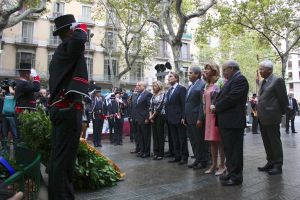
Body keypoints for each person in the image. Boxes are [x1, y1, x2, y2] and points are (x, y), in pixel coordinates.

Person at [48, 14, 90, 199]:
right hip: (67, 110)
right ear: (69, 31)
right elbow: (81, 38)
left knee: (60, 158)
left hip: (62, 109)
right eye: (73, 29)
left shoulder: (62, 50)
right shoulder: (68, 46)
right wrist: (79, 26)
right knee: (65, 160)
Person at [212, 60, 249, 186]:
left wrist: (216, 106)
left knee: (235, 150)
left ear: (232, 68)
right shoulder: (232, 80)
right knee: (229, 149)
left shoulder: (240, 79)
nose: (223, 73)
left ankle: (236, 177)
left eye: (224, 70)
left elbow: (232, 97)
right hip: (227, 121)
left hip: (233, 122)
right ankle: (231, 172)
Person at [257, 60, 288, 175]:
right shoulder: (262, 82)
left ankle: (278, 165)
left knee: (274, 142)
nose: (260, 71)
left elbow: (283, 99)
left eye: (262, 69)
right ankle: (270, 161)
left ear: (270, 70)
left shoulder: (277, 80)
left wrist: (281, 113)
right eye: (260, 69)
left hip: (272, 116)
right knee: (266, 141)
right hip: (262, 117)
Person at [202, 62, 226, 176]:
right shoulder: (206, 85)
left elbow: (224, 98)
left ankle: (222, 165)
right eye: (205, 69)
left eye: (208, 69)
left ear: (214, 70)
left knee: (219, 141)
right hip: (208, 116)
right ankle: (214, 164)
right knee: (211, 141)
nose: (205, 71)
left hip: (217, 116)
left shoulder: (221, 82)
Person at [184, 66, 209, 169]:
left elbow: (201, 103)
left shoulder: (202, 85)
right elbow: (187, 103)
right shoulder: (190, 86)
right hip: (189, 118)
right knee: (193, 141)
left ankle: (203, 161)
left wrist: (200, 118)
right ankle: (197, 159)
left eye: (190, 73)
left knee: (200, 141)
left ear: (197, 74)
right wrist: (184, 117)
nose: (188, 74)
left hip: (197, 118)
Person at [165, 72, 188, 165]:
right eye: (168, 77)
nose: (168, 78)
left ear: (176, 78)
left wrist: (183, 117)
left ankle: (184, 157)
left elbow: (184, 104)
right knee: (174, 139)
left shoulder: (181, 89)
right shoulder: (169, 90)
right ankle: (177, 156)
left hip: (179, 118)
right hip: (170, 118)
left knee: (182, 138)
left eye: (170, 76)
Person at [149, 81, 166, 160]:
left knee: (160, 135)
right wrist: (150, 116)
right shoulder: (153, 95)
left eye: (155, 86)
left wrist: (152, 116)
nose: (154, 87)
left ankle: (160, 153)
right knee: (155, 135)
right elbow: (150, 106)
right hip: (153, 117)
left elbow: (160, 106)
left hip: (160, 116)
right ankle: (155, 152)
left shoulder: (163, 94)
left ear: (159, 86)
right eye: (153, 86)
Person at [135, 81, 152, 158]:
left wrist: (147, 118)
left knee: (146, 136)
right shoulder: (138, 94)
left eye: (139, 85)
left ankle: (146, 152)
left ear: (144, 86)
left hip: (144, 119)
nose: (137, 86)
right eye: (137, 85)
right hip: (138, 119)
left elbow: (149, 107)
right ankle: (142, 151)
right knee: (140, 136)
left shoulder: (148, 94)